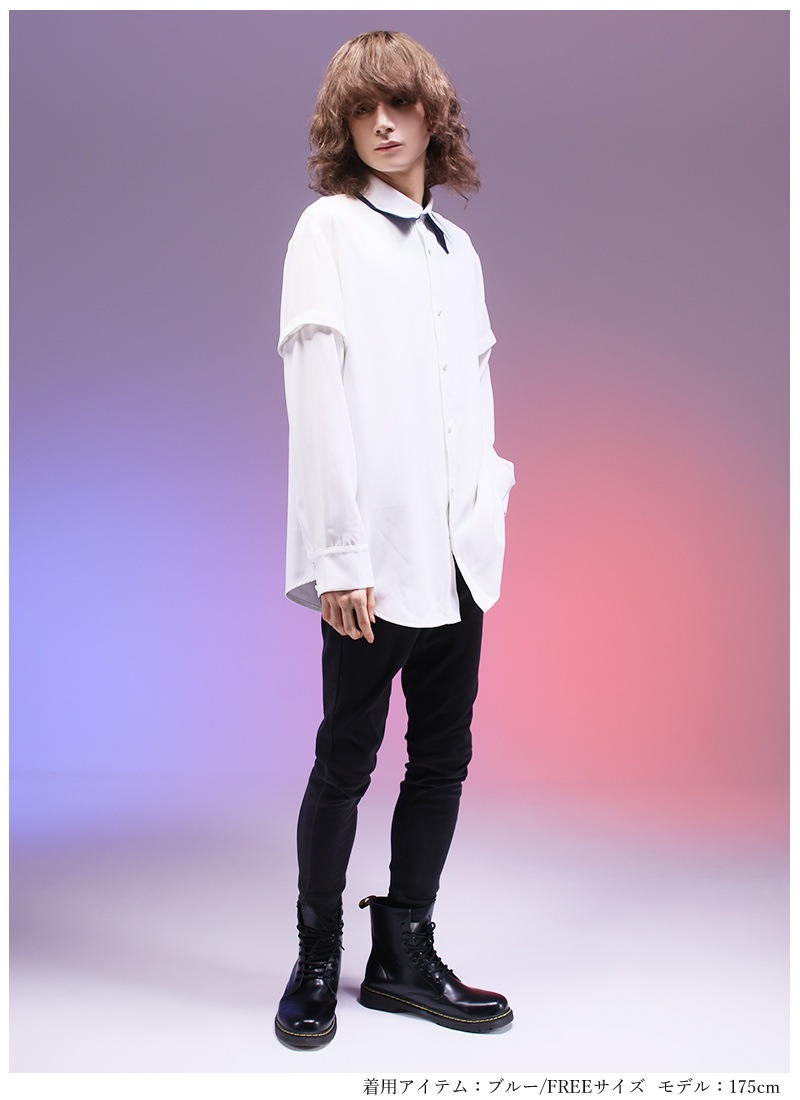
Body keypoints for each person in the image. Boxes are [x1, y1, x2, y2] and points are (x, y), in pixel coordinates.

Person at [274, 30, 515, 1050]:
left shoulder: (458, 251)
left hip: (456, 558)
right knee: (345, 760)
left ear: (431, 117)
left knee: (443, 758)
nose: (382, 123)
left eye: (401, 104)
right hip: (373, 562)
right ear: (344, 126)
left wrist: (487, 506)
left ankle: (404, 953)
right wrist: (338, 555)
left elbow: (474, 395)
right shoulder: (327, 231)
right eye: (363, 109)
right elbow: (316, 399)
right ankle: (316, 953)